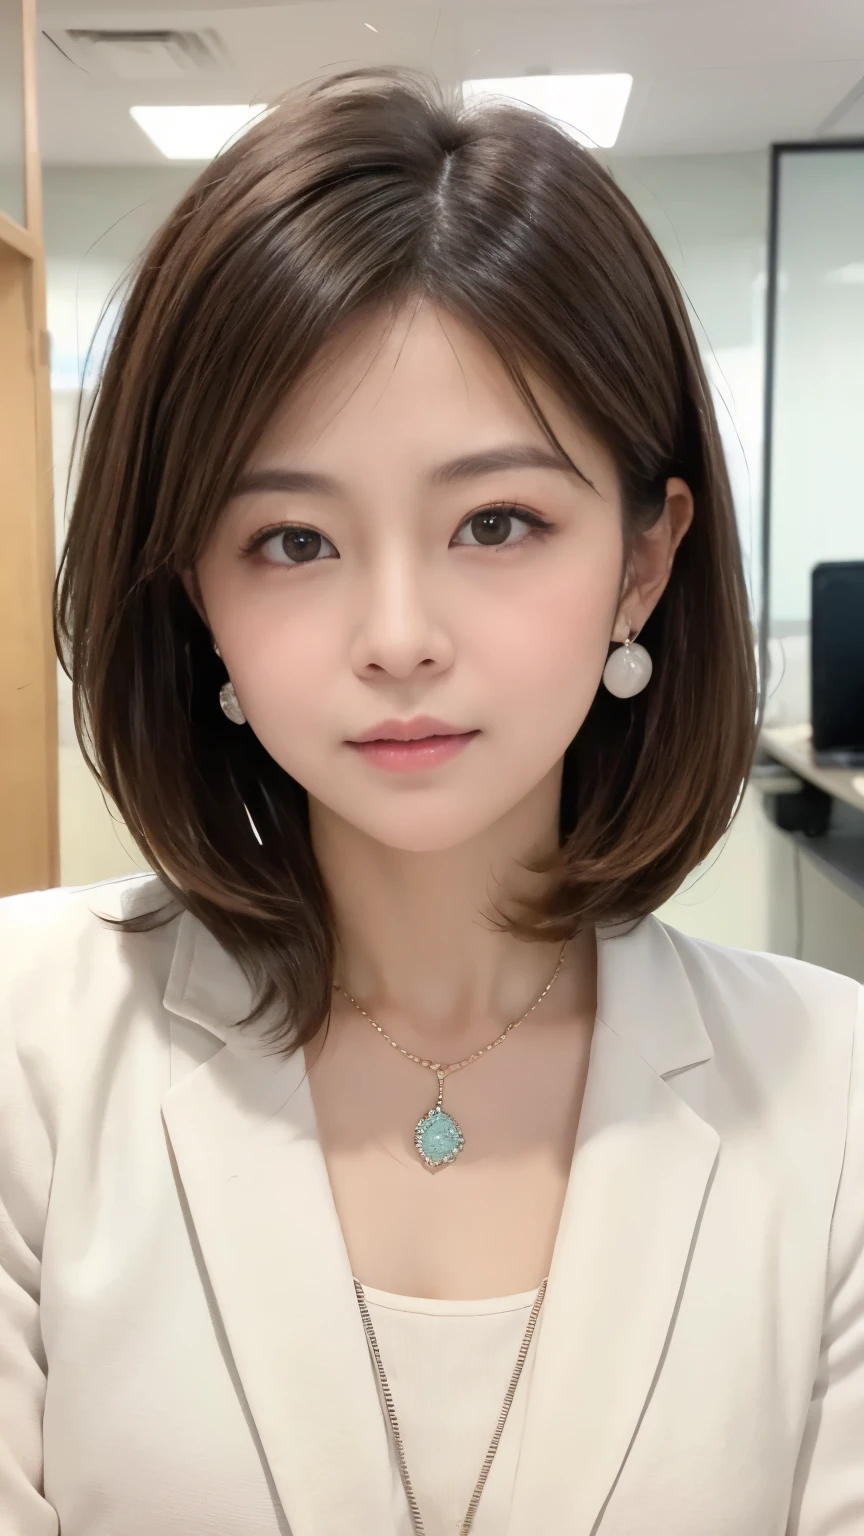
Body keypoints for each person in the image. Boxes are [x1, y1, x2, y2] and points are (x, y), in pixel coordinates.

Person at [0, 67, 861, 1536]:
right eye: (290, 539)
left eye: (497, 521)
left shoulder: (837, 1101)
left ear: (643, 563)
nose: (397, 634)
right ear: (191, 586)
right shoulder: (25, 1045)